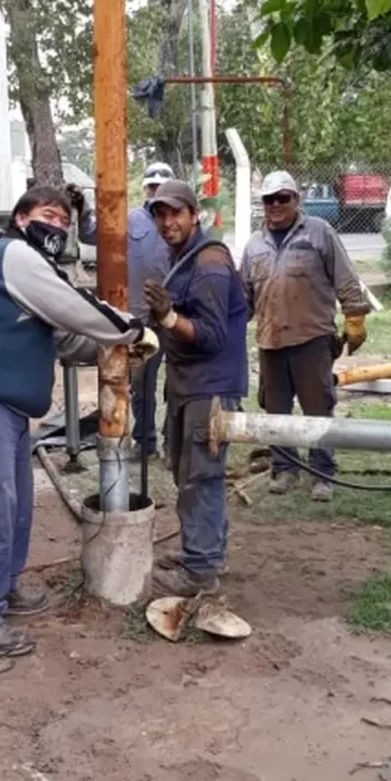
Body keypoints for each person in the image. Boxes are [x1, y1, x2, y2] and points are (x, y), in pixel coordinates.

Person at [0, 185, 159, 660]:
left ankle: (2, 588)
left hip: (3, 409)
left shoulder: (26, 270)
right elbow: (76, 307)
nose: (56, 226)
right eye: (48, 216)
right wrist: (132, 329)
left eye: (64, 223)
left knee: (13, 511)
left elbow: (64, 340)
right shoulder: (15, 256)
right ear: (20, 217)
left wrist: (113, 351)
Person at [143, 179, 249, 598]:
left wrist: (169, 318)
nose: (167, 221)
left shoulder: (209, 263)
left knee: (200, 478)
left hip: (211, 390)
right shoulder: (182, 259)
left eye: (175, 213)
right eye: (160, 214)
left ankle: (200, 572)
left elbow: (212, 335)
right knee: (189, 472)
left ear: (194, 215)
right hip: (189, 386)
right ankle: (203, 551)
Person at [240, 170, 369, 501]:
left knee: (318, 408)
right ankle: (284, 470)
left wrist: (354, 316)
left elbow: (345, 277)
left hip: (312, 339)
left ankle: (322, 474)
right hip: (271, 342)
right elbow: (243, 298)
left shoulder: (319, 233)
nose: (276, 205)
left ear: (297, 200)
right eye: (269, 200)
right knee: (276, 410)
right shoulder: (254, 245)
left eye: (283, 198)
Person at [68, 162, 174, 458]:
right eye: (152, 185)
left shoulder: (180, 220)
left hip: (174, 317)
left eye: (162, 185)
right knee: (142, 386)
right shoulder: (131, 220)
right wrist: (82, 207)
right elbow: (93, 234)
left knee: (177, 384)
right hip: (142, 320)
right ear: (145, 189)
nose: (156, 191)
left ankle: (173, 443)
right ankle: (146, 443)